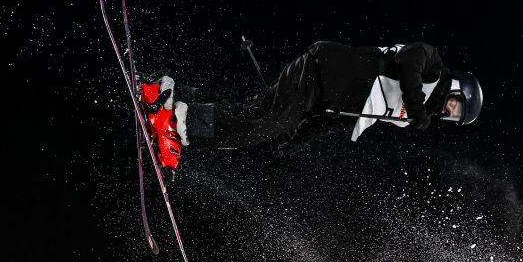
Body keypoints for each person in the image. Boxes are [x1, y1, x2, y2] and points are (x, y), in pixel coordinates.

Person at [138, 41, 483, 169]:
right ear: (457, 88)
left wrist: (300, 137)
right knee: (261, 121)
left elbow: (349, 116)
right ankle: (177, 122)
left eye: (454, 118)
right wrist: (418, 108)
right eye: (455, 106)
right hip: (324, 69)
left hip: (321, 97)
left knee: (254, 115)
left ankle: (168, 95)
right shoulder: (432, 67)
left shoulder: (408, 117)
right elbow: (410, 61)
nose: (448, 113)